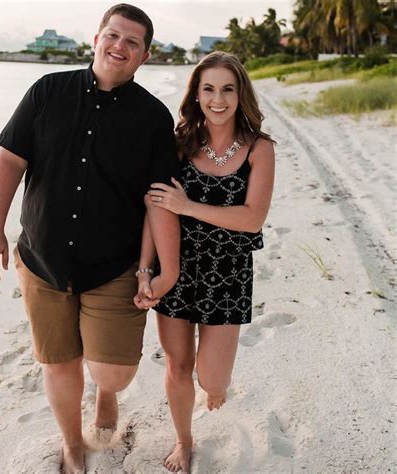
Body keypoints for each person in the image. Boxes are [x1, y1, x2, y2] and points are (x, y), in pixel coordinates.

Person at [0, 4, 180, 473]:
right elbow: (9, 161)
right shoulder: (48, 91)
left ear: (144, 56)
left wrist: (162, 267)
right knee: (60, 363)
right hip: (42, 261)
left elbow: (158, 200)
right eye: (113, 35)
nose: (119, 46)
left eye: (132, 42)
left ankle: (106, 396)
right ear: (96, 39)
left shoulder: (152, 117)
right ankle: (72, 442)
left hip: (113, 265)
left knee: (115, 371)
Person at [134, 51, 275, 472]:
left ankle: (214, 386)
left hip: (228, 274)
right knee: (178, 365)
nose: (218, 99)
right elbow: (155, 208)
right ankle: (183, 440)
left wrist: (189, 205)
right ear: (196, 94)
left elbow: (252, 219)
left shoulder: (259, 149)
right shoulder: (178, 143)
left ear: (240, 94)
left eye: (227, 89)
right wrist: (146, 269)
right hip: (177, 266)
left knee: (212, 379)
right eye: (209, 89)